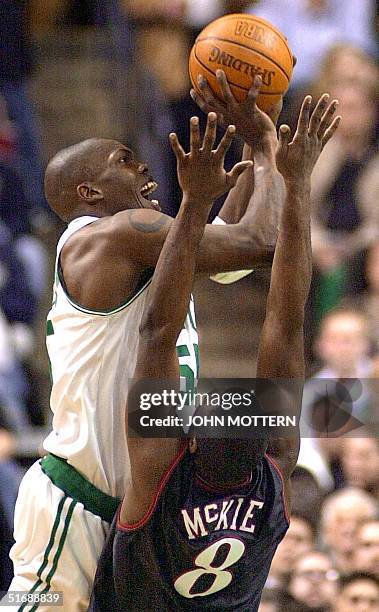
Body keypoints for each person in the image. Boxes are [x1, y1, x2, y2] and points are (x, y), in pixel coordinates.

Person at [6, 72, 287, 611]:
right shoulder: (117, 232)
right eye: (123, 160)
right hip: (79, 499)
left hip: (141, 500)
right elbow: (259, 243)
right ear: (89, 193)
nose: (143, 168)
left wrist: (255, 143)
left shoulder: (138, 248)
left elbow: (225, 256)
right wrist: (269, 145)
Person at [89, 92, 340, 609]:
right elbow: (287, 321)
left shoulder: (163, 473)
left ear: (190, 443)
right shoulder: (276, 469)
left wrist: (197, 203)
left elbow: (160, 329)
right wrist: (296, 185)